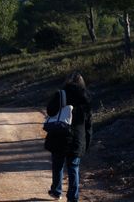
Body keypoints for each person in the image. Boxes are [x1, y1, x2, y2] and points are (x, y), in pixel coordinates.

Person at [44, 72, 92, 201]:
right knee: (74, 168)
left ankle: (56, 191)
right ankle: (73, 197)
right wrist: (87, 141)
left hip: (60, 135)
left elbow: (50, 111)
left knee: (58, 165)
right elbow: (88, 123)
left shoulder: (60, 94)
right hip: (78, 138)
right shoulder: (86, 98)